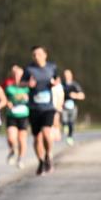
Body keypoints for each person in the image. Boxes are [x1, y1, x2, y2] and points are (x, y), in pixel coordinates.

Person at [25, 45, 59, 174]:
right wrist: (28, 84)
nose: (36, 57)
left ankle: (48, 155)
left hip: (48, 107)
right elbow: (21, 83)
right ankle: (40, 161)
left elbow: (57, 79)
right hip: (34, 107)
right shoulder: (29, 69)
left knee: (46, 132)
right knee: (37, 138)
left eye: (38, 54)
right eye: (34, 55)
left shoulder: (52, 67)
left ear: (45, 55)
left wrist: (55, 83)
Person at [4, 65, 30, 167]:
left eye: (19, 75)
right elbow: (2, 98)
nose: (16, 77)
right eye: (14, 75)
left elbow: (33, 100)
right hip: (12, 116)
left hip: (23, 115)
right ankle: (12, 150)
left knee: (22, 139)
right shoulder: (9, 88)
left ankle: (20, 159)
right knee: (11, 138)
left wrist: (28, 99)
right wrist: (7, 103)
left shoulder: (27, 88)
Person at [60, 69, 85, 146]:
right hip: (63, 107)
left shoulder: (75, 85)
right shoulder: (61, 85)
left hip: (73, 107)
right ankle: (65, 126)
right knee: (64, 120)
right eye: (65, 75)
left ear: (71, 75)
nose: (66, 76)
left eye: (68, 74)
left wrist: (75, 95)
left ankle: (70, 137)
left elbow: (82, 96)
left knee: (71, 123)